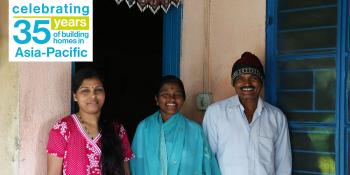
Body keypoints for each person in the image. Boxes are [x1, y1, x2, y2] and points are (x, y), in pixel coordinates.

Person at [202, 52, 292, 175]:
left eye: (253, 78)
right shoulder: (215, 113)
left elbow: (283, 165)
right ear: (233, 83)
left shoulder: (276, 117)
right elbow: (207, 160)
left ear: (261, 82)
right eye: (240, 79)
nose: (247, 83)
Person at [47, 67, 134, 175]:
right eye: (85, 91)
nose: (93, 96)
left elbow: (126, 172)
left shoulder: (117, 130)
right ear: (75, 96)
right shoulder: (62, 129)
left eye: (98, 90)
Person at [130, 75, 221, 175]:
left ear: (183, 99)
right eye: (165, 95)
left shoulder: (195, 131)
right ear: (156, 99)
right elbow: (136, 166)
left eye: (177, 95)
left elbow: (208, 166)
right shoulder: (144, 128)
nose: (172, 99)